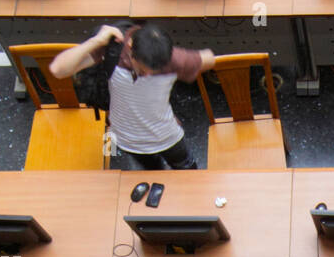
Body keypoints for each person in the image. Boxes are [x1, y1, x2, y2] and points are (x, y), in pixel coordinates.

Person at [49, 23, 213, 171]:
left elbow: (208, 58)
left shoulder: (174, 59)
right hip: (128, 139)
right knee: (153, 171)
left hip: (167, 136)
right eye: (142, 70)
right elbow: (58, 69)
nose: (146, 76)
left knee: (186, 168)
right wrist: (97, 40)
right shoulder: (113, 52)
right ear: (130, 48)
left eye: (153, 73)